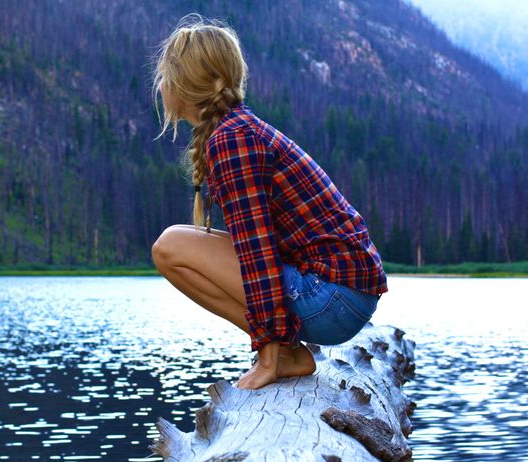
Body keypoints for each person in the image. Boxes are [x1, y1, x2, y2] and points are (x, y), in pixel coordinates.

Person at [149, 14, 388, 390]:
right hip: (341, 293)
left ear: (184, 83)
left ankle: (282, 354)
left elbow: (256, 254)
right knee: (179, 237)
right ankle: (286, 350)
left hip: (333, 298)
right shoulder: (236, 129)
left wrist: (267, 360)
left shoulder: (231, 140)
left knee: (170, 248)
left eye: (164, 76)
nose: (160, 86)